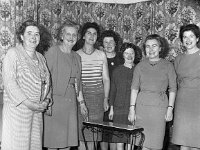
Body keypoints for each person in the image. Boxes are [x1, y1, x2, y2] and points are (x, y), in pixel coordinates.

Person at [1, 19, 51, 150]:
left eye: (37, 34)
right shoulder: (13, 54)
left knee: (34, 146)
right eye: (29, 33)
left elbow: (47, 83)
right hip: (18, 112)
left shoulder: (41, 57)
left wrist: (46, 100)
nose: (33, 37)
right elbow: (10, 83)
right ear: (22, 36)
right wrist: (30, 104)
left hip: (37, 112)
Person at [43, 20, 88, 150]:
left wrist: (82, 103)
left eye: (74, 35)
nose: (71, 38)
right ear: (62, 36)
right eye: (68, 34)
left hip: (70, 103)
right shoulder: (53, 51)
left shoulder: (77, 57)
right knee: (53, 142)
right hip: (54, 102)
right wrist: (47, 101)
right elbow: (45, 79)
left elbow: (77, 82)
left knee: (67, 142)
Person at [128, 34, 177, 150]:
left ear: (160, 48)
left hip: (159, 110)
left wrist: (170, 108)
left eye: (154, 46)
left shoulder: (168, 66)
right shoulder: (139, 66)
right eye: (148, 46)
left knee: (156, 144)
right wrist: (131, 109)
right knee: (143, 144)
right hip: (142, 109)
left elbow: (173, 89)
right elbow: (134, 89)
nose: (151, 49)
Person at [76, 22, 110, 150]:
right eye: (89, 33)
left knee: (94, 137)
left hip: (98, 100)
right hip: (82, 99)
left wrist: (105, 98)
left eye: (94, 34)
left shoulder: (101, 55)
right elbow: (76, 81)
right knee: (82, 136)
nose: (92, 36)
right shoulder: (76, 55)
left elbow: (106, 79)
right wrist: (81, 102)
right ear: (83, 36)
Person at [109, 42, 142, 150]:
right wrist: (111, 109)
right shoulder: (117, 71)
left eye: (131, 53)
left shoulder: (139, 69)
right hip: (119, 109)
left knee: (130, 139)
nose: (129, 56)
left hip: (134, 109)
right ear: (122, 55)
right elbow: (113, 90)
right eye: (126, 53)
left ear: (135, 54)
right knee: (120, 139)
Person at [172, 24, 200, 150]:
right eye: (185, 37)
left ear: (197, 38)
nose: (188, 40)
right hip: (182, 102)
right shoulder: (178, 59)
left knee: (196, 141)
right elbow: (174, 83)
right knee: (183, 141)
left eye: (191, 36)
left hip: (198, 102)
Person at [99, 30, 123, 150]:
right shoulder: (99, 58)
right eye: (105, 42)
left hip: (118, 101)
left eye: (111, 41)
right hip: (102, 100)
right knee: (103, 133)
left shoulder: (122, 59)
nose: (108, 44)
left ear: (116, 43)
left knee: (115, 132)